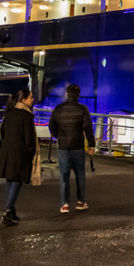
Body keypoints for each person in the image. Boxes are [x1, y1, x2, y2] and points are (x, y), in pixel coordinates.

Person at [51, 83, 95, 214]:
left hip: (63, 146)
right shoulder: (83, 109)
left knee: (64, 175)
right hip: (77, 146)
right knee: (80, 174)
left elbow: (51, 124)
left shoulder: (58, 108)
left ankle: (64, 204)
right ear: (78, 95)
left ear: (67, 94)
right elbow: (88, 128)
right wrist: (91, 145)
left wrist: (58, 135)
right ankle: (81, 201)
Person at [0, 88, 37, 226]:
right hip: (20, 153)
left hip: (7, 152)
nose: (32, 100)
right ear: (24, 100)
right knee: (17, 181)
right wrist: (31, 153)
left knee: (10, 180)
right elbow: (29, 139)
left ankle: (10, 210)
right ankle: (8, 211)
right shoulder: (27, 116)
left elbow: (2, 132)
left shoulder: (9, 113)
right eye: (31, 98)